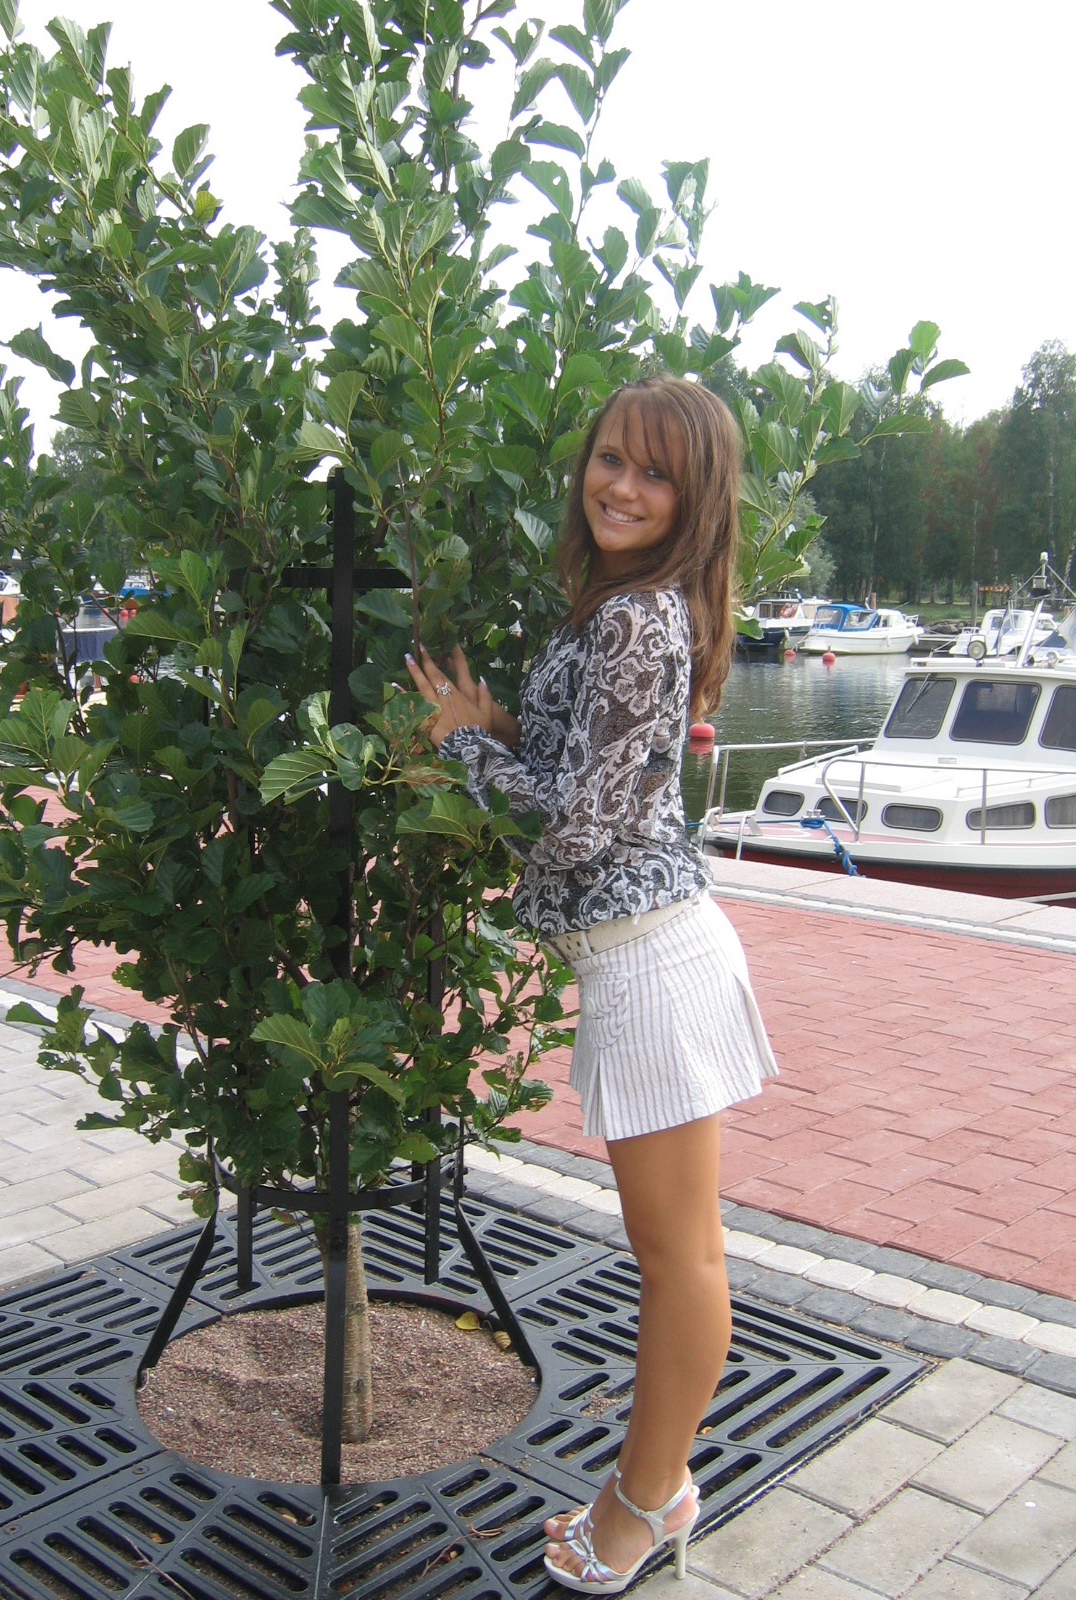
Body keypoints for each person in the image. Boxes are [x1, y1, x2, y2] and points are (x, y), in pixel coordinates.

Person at [405, 373, 777, 1595]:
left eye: (655, 471)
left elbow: (580, 830)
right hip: (641, 957)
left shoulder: (637, 618)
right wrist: (504, 732)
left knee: (682, 1263)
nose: (621, 485)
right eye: (612, 457)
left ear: (696, 495)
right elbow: (593, 781)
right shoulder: (628, 607)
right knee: (678, 1254)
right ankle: (654, 1485)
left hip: (652, 963)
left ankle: (649, 1499)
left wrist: (467, 747)